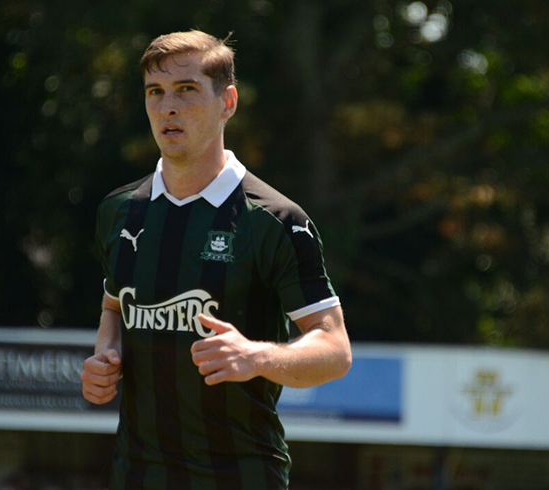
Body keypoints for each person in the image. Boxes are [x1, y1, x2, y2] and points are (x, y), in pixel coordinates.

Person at [81, 30, 352, 489]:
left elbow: (334, 350)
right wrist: (106, 355)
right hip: (137, 476)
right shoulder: (119, 211)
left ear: (227, 102)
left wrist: (257, 356)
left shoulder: (274, 220)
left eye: (186, 90)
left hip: (242, 477)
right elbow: (114, 305)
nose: (168, 107)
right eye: (155, 92)